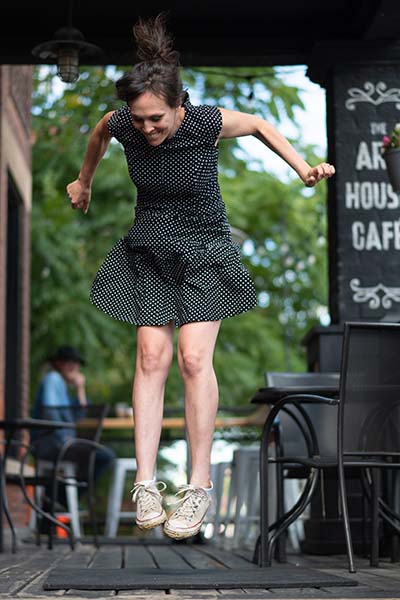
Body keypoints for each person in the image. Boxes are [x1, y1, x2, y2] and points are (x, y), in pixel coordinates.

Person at [66, 14, 335, 540]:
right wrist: (84, 181)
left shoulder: (206, 122)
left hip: (206, 249)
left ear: (178, 105)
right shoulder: (122, 124)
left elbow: (260, 124)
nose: (147, 128)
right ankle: (146, 484)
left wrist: (303, 167)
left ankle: (198, 488)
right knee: (151, 356)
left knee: (193, 358)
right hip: (149, 250)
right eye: (140, 119)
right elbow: (100, 133)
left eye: (157, 118)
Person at [31, 345, 115, 509]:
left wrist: (80, 389)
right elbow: (50, 411)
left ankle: (59, 498)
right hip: (50, 444)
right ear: (58, 363)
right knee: (104, 456)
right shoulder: (53, 379)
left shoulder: (63, 387)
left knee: (101, 456)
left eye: (76, 363)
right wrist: (65, 437)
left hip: (61, 443)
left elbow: (80, 415)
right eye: (68, 362)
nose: (73, 366)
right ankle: (62, 499)